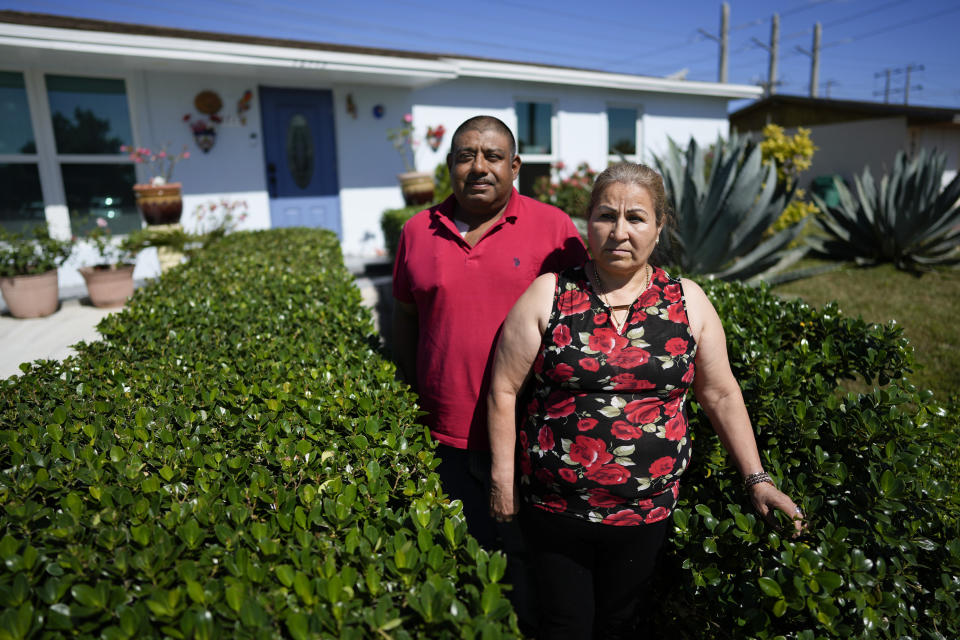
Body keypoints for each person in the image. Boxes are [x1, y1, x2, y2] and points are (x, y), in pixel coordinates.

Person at [487, 162, 803, 639]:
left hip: (645, 515)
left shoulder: (687, 301)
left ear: (659, 227)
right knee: (562, 626)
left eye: (636, 218)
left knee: (621, 625)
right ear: (587, 223)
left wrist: (757, 479)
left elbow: (719, 392)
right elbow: (504, 388)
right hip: (555, 513)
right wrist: (502, 480)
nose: (619, 231)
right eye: (605, 216)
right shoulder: (549, 294)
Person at [392, 115, 588, 550]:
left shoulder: (554, 229)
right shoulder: (416, 232)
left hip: (532, 435)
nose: (479, 167)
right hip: (441, 434)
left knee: (530, 564)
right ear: (450, 166)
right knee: (456, 555)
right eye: (466, 156)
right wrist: (409, 395)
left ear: (515, 166)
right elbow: (405, 317)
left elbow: (583, 323)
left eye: (493, 156)